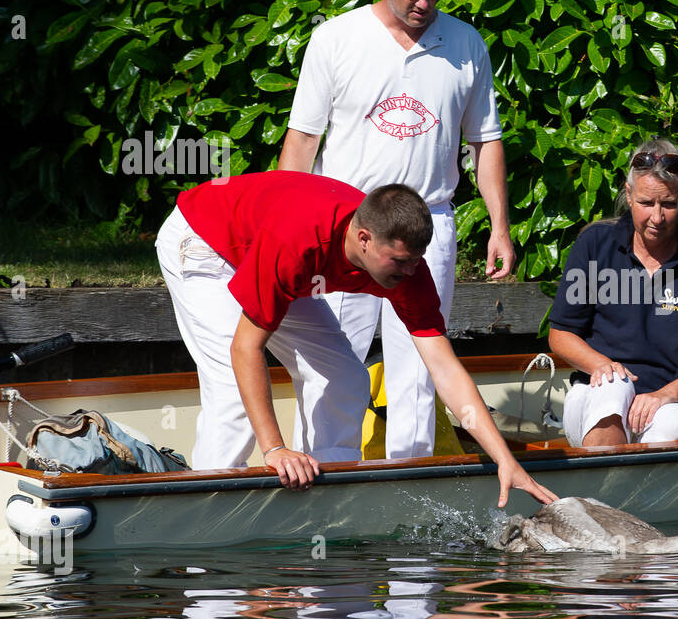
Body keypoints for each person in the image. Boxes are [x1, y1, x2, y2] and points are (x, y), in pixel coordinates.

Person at [155, 170, 555, 507]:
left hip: (269, 255)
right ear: (363, 238)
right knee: (231, 393)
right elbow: (246, 348)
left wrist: (505, 460)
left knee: (347, 379)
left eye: (417, 260)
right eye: (399, 261)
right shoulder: (299, 243)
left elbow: (444, 368)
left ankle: (327, 498)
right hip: (205, 242)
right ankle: (209, 504)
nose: (411, 272)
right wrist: (275, 449)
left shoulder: (408, 271)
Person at [277, 0, 513, 460]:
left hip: (430, 224)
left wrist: (499, 226)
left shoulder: (465, 43)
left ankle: (407, 496)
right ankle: (319, 476)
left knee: (418, 372)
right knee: (332, 362)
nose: (423, 2)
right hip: (348, 225)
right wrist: (292, 229)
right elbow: (303, 140)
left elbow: (486, 141)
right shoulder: (336, 38)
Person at [548, 139, 678, 447]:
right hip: (595, 396)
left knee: (670, 423)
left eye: (668, 204)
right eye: (646, 203)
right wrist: (602, 365)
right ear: (628, 195)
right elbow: (561, 334)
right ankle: (603, 487)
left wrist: (665, 395)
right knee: (614, 390)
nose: (657, 217)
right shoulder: (594, 244)